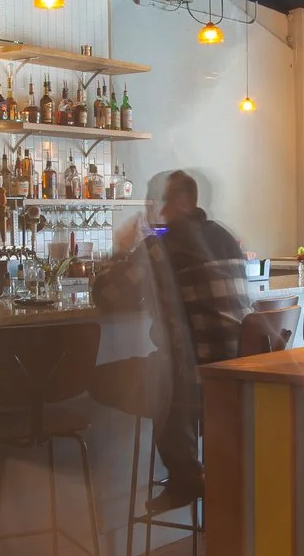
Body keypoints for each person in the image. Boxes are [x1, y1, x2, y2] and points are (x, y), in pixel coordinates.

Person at [90, 169, 248, 510]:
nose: (154, 210)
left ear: (182, 201)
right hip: (238, 377)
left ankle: (186, 474)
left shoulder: (162, 246)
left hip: (195, 379)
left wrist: (121, 250)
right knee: (165, 366)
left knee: (104, 378)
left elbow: (109, 294)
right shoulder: (223, 236)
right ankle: (189, 469)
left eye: (158, 200)